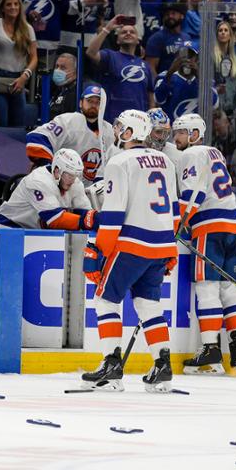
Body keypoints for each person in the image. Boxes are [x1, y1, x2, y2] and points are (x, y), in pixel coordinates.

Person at [80, 109, 178, 392]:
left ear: (131, 132)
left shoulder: (119, 162)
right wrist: (171, 249)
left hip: (131, 244)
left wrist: (99, 251)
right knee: (149, 306)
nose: (116, 130)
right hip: (161, 244)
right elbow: (173, 210)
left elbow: (112, 214)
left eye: (121, 126)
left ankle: (111, 367)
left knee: (105, 301)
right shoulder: (165, 161)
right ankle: (162, 366)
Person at [172, 114, 236, 375]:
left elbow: (194, 194)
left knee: (206, 289)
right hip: (232, 225)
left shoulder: (190, 155)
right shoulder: (215, 152)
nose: (177, 137)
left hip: (210, 226)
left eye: (181, 132)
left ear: (195, 134)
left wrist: (176, 224)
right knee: (228, 289)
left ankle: (211, 352)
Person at [26, 84, 115, 183]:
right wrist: (49, 168)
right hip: (60, 185)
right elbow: (37, 138)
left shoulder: (110, 131)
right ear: (81, 103)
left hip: (91, 193)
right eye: (89, 101)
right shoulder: (67, 121)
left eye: (98, 102)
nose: (93, 105)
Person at [0, 148, 96, 229]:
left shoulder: (75, 183)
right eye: (69, 175)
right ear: (57, 170)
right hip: (10, 227)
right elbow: (55, 220)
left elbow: (85, 212)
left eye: (75, 176)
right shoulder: (38, 180)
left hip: (36, 232)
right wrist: (88, 221)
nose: (73, 180)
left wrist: (96, 218)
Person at [85, 17, 154, 124]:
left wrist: (151, 118)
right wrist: (107, 29)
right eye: (123, 32)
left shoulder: (145, 65)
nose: (128, 33)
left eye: (132, 32)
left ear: (137, 40)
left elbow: (150, 95)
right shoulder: (110, 56)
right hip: (113, 120)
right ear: (118, 40)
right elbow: (91, 52)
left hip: (139, 121)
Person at [0, 0, 38, 128]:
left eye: (16, 4)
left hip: (19, 79)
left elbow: (34, 57)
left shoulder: (27, 28)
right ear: (2, 8)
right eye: (9, 4)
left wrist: (25, 76)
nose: (13, 7)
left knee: (18, 123)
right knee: (0, 121)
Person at [144, 3, 188, 76]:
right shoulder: (156, 38)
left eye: (173, 14)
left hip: (184, 82)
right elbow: (150, 67)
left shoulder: (187, 37)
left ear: (181, 16)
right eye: (167, 14)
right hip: (165, 82)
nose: (170, 16)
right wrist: (158, 85)